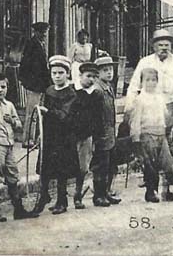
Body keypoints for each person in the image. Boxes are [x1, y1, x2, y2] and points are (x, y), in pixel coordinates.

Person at [0, 73, 39, 222]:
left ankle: (19, 210)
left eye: (3, 87)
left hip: (9, 145)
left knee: (12, 176)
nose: (0, 90)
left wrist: (12, 120)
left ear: (7, 88)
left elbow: (19, 125)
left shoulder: (9, 105)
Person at [129, 67, 173, 202]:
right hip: (147, 134)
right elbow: (135, 120)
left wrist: (170, 126)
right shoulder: (140, 100)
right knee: (151, 165)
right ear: (142, 82)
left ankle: (167, 191)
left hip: (161, 133)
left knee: (168, 163)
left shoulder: (159, 98)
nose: (151, 83)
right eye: (147, 80)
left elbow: (165, 114)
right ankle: (150, 192)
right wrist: (136, 138)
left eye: (153, 80)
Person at [30, 56, 78, 215]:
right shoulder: (49, 91)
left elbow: (65, 116)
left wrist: (49, 112)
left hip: (63, 137)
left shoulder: (71, 93)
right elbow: (41, 115)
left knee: (61, 170)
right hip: (49, 135)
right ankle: (43, 197)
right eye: (54, 73)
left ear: (68, 74)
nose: (57, 76)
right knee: (45, 167)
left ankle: (62, 201)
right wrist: (39, 134)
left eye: (60, 73)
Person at [126, 29, 173, 137]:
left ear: (171, 47)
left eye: (167, 45)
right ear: (154, 47)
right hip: (151, 105)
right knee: (153, 133)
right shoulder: (145, 62)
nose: (164, 48)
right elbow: (134, 85)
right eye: (160, 45)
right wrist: (130, 105)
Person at [71, 61, 100, 209]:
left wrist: (95, 137)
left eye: (95, 77)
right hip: (70, 136)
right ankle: (61, 199)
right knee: (66, 166)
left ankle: (77, 195)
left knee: (82, 168)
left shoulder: (95, 94)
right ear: (80, 75)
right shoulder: (71, 91)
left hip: (86, 136)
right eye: (89, 76)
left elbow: (97, 117)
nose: (92, 80)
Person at [91, 56, 119, 207]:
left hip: (110, 133)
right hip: (101, 134)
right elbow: (95, 116)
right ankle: (98, 195)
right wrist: (97, 136)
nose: (109, 73)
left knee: (109, 165)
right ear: (97, 74)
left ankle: (106, 192)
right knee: (100, 166)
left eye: (111, 69)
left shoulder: (108, 88)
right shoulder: (97, 90)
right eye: (105, 70)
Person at [19, 22, 51, 133]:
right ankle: (28, 139)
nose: (44, 35)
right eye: (42, 32)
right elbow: (26, 65)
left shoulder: (40, 44)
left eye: (45, 32)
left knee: (39, 112)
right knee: (32, 112)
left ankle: (37, 136)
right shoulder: (31, 45)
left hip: (41, 84)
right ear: (36, 32)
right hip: (34, 84)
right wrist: (28, 81)